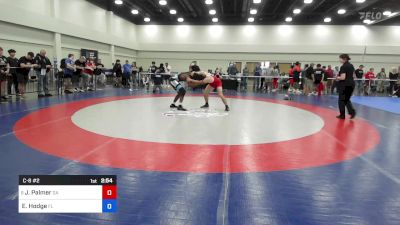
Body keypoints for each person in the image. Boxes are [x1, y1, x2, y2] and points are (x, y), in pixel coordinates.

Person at [336, 54, 356, 119]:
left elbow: (343, 77)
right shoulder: (351, 65)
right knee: (346, 100)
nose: (339, 60)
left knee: (341, 100)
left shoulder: (343, 67)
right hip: (351, 84)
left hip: (345, 85)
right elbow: (353, 75)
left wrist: (337, 77)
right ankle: (352, 112)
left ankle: (342, 115)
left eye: (340, 58)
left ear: (344, 59)